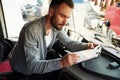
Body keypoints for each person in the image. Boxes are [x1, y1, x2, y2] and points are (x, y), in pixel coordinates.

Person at [9, 0, 97, 80]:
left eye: (67, 17)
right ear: (51, 12)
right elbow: (32, 66)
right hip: (22, 69)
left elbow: (68, 42)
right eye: (62, 16)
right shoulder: (32, 31)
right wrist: (62, 62)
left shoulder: (56, 26)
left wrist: (86, 46)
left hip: (37, 60)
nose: (65, 22)